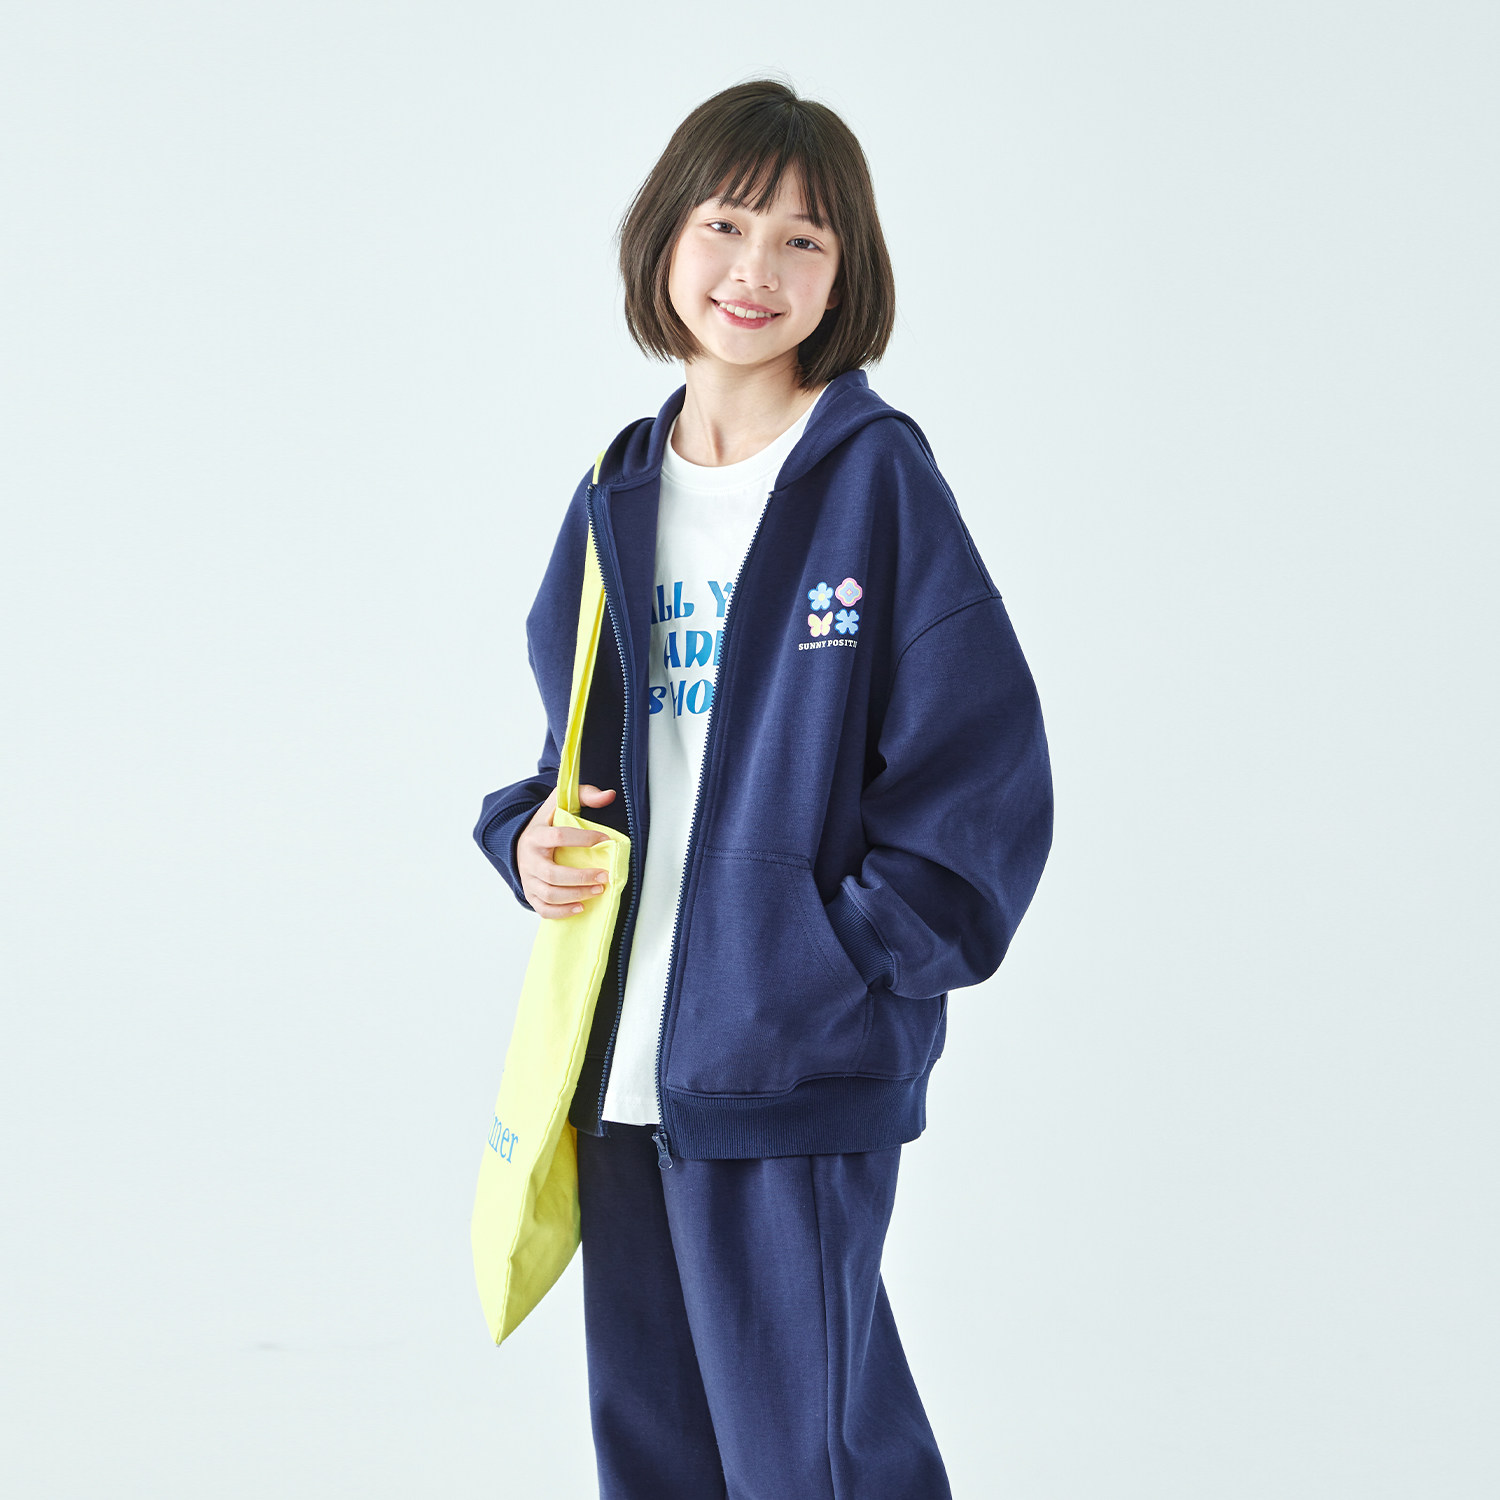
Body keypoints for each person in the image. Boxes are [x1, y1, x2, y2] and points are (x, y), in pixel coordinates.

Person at [473, 78, 1054, 1500]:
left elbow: (983, 778)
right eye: (727, 225)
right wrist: (528, 836)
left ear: (847, 274)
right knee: (658, 1460)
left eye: (805, 240)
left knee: (816, 1464)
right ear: (664, 238)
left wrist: (835, 961)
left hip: (793, 1063)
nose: (757, 269)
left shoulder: (873, 480)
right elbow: (579, 759)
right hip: (622, 1066)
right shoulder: (616, 488)